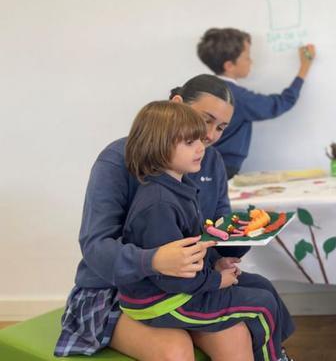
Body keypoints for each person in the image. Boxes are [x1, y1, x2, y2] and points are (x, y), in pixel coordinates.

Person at [55, 75, 285, 360]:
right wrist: (153, 260)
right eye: (205, 119)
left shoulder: (209, 159)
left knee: (235, 335)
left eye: (221, 128)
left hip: (184, 284)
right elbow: (95, 247)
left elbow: (213, 229)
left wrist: (242, 240)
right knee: (174, 350)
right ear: (176, 104)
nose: (210, 136)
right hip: (114, 290)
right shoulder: (116, 159)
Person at [118, 101, 293, 361]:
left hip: (181, 288)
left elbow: (193, 245)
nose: (202, 147)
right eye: (190, 143)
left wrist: (216, 264)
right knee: (262, 305)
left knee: (262, 286)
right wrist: (215, 281)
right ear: (159, 146)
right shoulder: (158, 205)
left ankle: (276, 350)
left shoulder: (179, 188)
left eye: (199, 140)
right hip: (161, 301)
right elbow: (170, 277)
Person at [197, 27, 315, 179]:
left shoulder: (203, 89)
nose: (251, 61)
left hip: (203, 165)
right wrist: (304, 67)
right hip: (222, 170)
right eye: (247, 57)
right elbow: (281, 103)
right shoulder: (237, 97)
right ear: (229, 65)